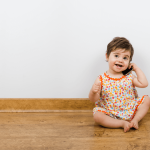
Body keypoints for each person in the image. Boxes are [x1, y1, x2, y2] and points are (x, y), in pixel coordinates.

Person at [89, 37, 150, 132]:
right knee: (97, 116)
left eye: (125, 58)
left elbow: (144, 84)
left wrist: (136, 69)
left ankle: (135, 120)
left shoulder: (129, 76)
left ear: (129, 61)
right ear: (107, 56)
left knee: (146, 99)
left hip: (129, 109)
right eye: (116, 56)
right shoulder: (101, 79)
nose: (120, 60)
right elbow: (93, 99)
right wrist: (93, 92)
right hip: (109, 112)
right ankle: (121, 123)